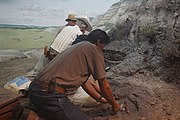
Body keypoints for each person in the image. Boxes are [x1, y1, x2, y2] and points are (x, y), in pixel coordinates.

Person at [28, 29, 122, 120]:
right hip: (49, 95)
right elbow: (104, 85)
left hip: (34, 90)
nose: (102, 49)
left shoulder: (78, 48)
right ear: (98, 42)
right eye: (103, 45)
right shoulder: (94, 49)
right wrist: (115, 105)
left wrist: (101, 99)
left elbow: (85, 83)